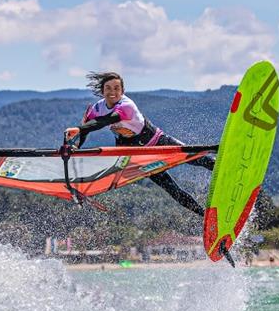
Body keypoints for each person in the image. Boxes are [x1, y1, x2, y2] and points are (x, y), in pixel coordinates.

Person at [64, 71, 214, 217]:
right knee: (173, 190)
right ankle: (205, 216)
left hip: (158, 142)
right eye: (108, 88)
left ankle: (220, 166)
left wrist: (79, 128)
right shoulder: (97, 108)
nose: (112, 92)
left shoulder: (126, 106)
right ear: (102, 91)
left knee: (194, 157)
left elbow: (104, 121)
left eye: (117, 88)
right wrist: (76, 146)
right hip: (142, 157)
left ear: (122, 90)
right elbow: (85, 130)